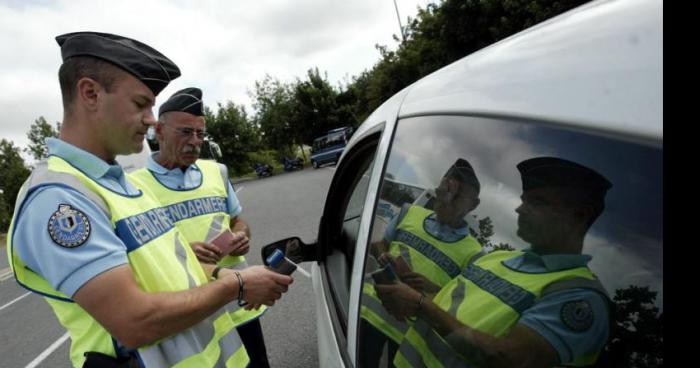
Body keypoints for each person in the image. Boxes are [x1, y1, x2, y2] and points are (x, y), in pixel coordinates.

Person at [6, 31, 292, 368]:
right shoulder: (58, 199)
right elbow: (135, 321)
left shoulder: (124, 186)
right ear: (90, 93)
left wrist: (222, 276)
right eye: (141, 104)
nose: (152, 120)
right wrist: (238, 286)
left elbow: (174, 271)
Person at [376, 157, 614, 368]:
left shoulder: (578, 295)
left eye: (537, 202)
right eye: (524, 200)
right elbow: (454, 307)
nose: (520, 209)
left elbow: (509, 359)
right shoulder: (494, 258)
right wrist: (420, 287)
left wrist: (420, 305)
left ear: (579, 216)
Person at [129, 87, 271, 367]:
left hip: (239, 304)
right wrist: (184, 254)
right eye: (185, 132)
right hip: (192, 315)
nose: (195, 142)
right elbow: (139, 258)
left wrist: (241, 235)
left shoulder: (216, 171)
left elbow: (237, 220)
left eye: (200, 134)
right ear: (159, 130)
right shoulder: (136, 186)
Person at [359, 158, 484, 367]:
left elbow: (462, 307)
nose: (445, 199)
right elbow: (381, 244)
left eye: (456, 196)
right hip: (369, 315)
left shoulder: (473, 254)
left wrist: (430, 288)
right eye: (443, 191)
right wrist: (384, 257)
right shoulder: (410, 212)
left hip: (409, 338)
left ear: (473, 205)